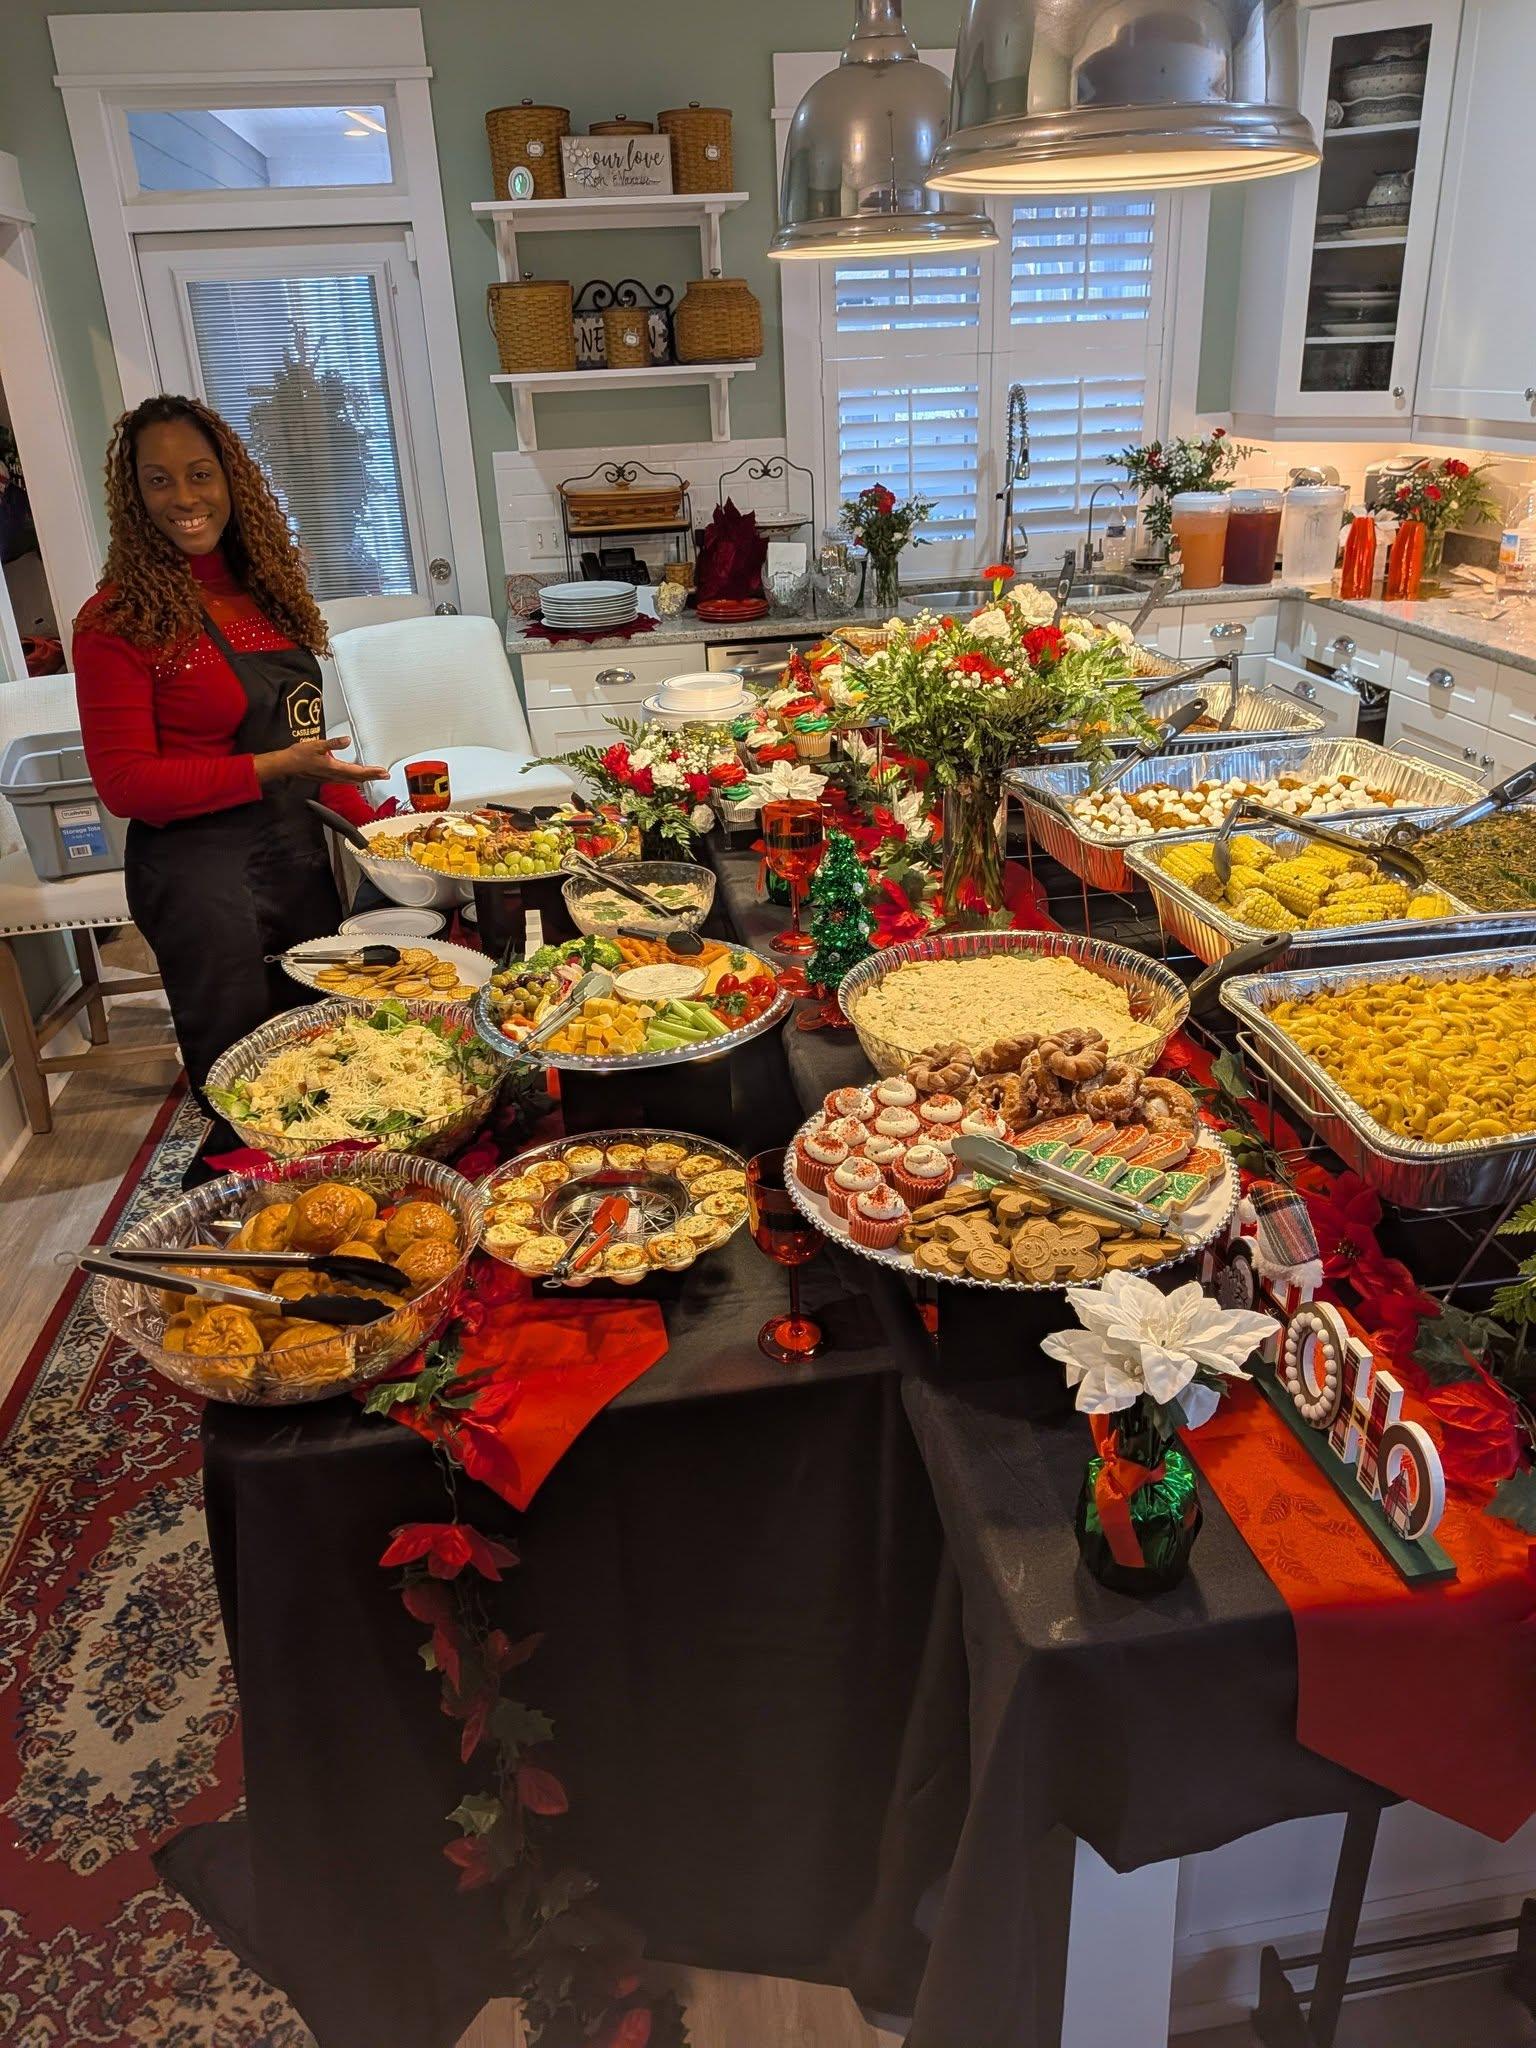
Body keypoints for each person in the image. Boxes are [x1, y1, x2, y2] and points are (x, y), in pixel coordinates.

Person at [75, 393, 384, 1171]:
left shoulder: (266, 596)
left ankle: (334, 1214)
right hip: (198, 877)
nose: (184, 498)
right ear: (134, 497)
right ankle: (244, 1249)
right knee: (245, 1085)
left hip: (296, 858)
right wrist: (276, 769)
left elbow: (301, 742)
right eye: (158, 481)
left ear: (231, 482)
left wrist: (382, 831)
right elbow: (125, 784)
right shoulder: (115, 621)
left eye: (199, 474)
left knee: (322, 1067)